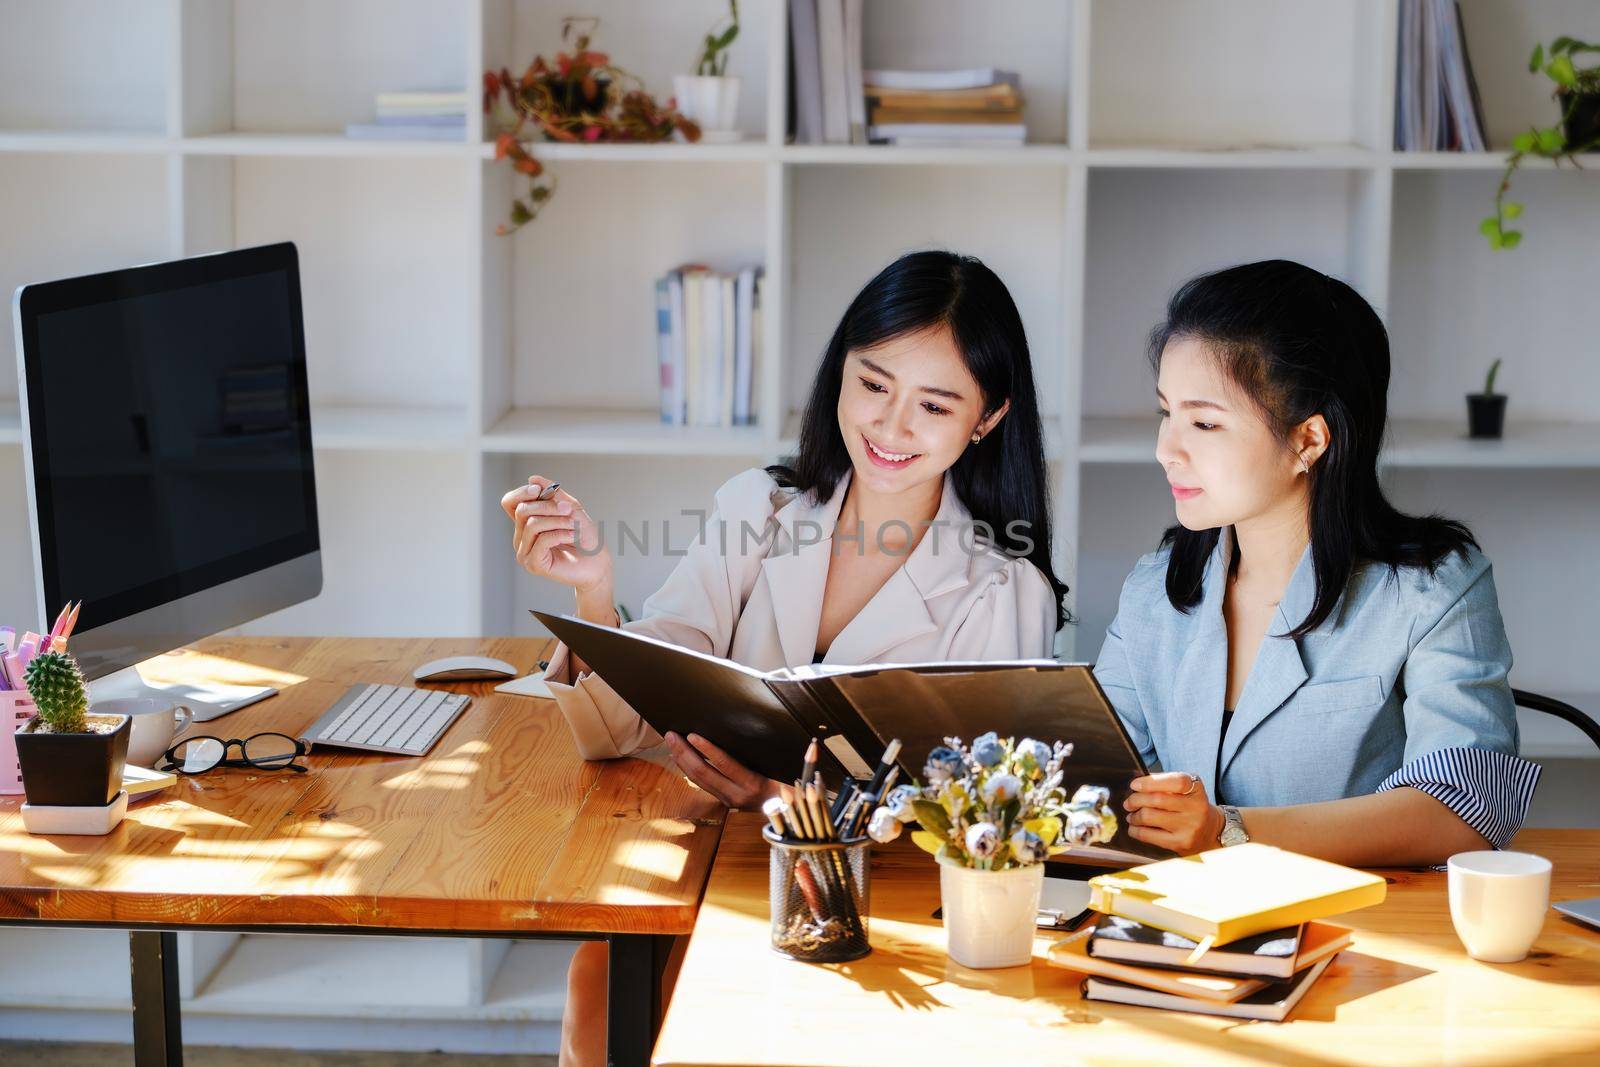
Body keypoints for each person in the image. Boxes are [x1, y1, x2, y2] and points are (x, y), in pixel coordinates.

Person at [502, 250, 1067, 1067]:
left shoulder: (1003, 591)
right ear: (840, 366)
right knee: (600, 982)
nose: (890, 426)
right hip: (716, 866)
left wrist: (793, 801)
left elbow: (982, 836)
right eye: (873, 384)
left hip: (879, 917)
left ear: (986, 418)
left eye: (934, 405)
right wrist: (595, 590)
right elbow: (637, 708)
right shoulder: (758, 509)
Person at [1094, 259, 1541, 868]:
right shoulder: (1156, 586)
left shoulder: (1435, 587)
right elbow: (1094, 772)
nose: (1166, 449)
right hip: (1177, 927)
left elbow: (1465, 809)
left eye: (1203, 422)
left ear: (1309, 439)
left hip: (1364, 930)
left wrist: (1230, 830)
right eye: (1165, 413)